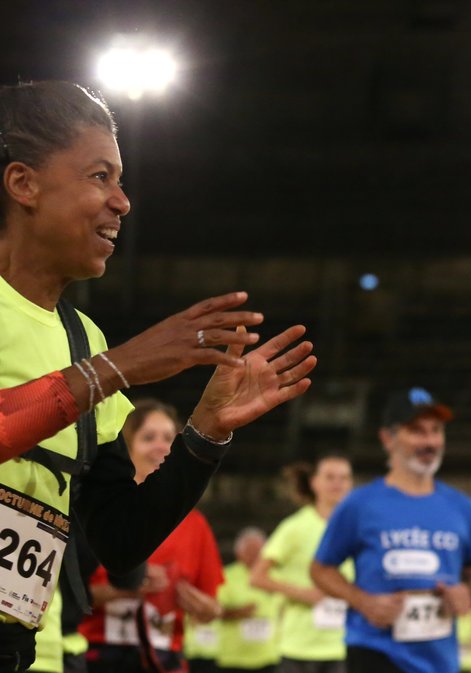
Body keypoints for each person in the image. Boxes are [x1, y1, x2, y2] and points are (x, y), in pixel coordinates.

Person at [0, 80, 316, 669]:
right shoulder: (98, 359)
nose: (122, 201)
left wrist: (205, 432)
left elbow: (119, 538)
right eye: (100, 176)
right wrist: (113, 370)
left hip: (34, 654)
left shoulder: (81, 339)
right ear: (24, 184)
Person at [311, 386, 471, 673]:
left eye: (436, 431)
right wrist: (364, 601)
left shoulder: (464, 509)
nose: (430, 441)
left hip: (440, 659)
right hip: (375, 652)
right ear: (387, 438)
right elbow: (320, 569)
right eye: (417, 431)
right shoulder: (359, 504)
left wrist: (470, 596)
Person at [79, 399, 224, 673]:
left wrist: (203, 608)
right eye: (148, 437)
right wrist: (121, 587)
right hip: (97, 655)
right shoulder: (98, 510)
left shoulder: (195, 524)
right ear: (127, 446)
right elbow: (66, 597)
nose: (161, 446)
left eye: (170, 438)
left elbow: (213, 607)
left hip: (164, 658)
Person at [251, 454, 355, 673]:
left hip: (344, 646)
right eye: (330, 477)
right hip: (298, 648)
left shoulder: (357, 528)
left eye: (344, 478)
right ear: (314, 482)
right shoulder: (295, 527)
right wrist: (301, 593)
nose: (337, 483)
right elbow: (257, 577)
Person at [217, 528, 281, 673]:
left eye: (259, 551)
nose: (255, 556)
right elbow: (213, 611)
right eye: (250, 551)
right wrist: (238, 612)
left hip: (271, 658)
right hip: (234, 660)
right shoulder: (225, 576)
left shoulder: (277, 576)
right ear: (239, 553)